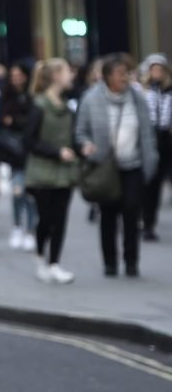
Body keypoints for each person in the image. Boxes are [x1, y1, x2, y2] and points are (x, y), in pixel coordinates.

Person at [75, 54, 159, 277]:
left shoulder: (137, 98)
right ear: (108, 77)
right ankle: (110, 261)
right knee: (108, 214)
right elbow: (81, 131)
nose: (126, 78)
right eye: (121, 74)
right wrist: (86, 145)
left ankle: (131, 261)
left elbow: (147, 132)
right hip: (105, 166)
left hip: (133, 165)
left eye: (128, 73)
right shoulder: (91, 99)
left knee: (132, 211)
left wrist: (151, 161)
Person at [23, 59, 78, 284]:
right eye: (67, 71)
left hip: (65, 172)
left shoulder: (67, 106)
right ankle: (39, 257)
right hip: (42, 172)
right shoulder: (39, 105)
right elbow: (29, 141)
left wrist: (80, 147)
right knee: (46, 218)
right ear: (56, 76)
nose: (72, 75)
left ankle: (54, 263)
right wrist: (56, 152)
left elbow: (71, 137)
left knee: (61, 219)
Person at [0, 62, 37, 250]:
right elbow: (3, 119)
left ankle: (30, 229)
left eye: (18, 75)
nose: (15, 79)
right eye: (12, 75)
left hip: (30, 151)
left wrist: (15, 121)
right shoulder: (7, 95)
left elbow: (28, 122)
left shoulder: (32, 97)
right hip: (15, 152)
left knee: (30, 194)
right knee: (18, 191)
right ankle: (17, 226)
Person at [139, 53, 171, 241]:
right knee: (147, 182)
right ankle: (144, 219)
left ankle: (150, 223)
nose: (157, 72)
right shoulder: (142, 90)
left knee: (157, 183)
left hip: (165, 139)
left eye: (160, 69)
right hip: (148, 138)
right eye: (154, 69)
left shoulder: (169, 90)